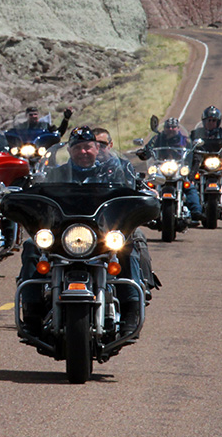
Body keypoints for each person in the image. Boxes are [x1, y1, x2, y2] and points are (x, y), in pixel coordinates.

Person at [18, 126, 150, 336]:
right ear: (70, 151)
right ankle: (31, 312)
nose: (83, 152)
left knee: (127, 247)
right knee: (31, 247)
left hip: (101, 235)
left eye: (88, 147)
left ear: (97, 148)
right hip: (63, 236)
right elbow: (38, 194)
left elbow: (131, 193)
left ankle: (131, 310)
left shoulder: (113, 173)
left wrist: (144, 197)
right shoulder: (55, 173)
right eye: (78, 147)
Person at [137, 117, 203, 220]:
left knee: (189, 188)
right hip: (161, 166)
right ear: (164, 128)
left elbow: (193, 153)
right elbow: (148, 149)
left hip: (178, 167)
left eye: (173, 127)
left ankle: (196, 212)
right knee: (147, 187)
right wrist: (143, 153)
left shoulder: (185, 140)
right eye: (168, 127)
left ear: (178, 128)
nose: (171, 129)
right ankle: (142, 213)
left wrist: (192, 171)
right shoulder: (157, 139)